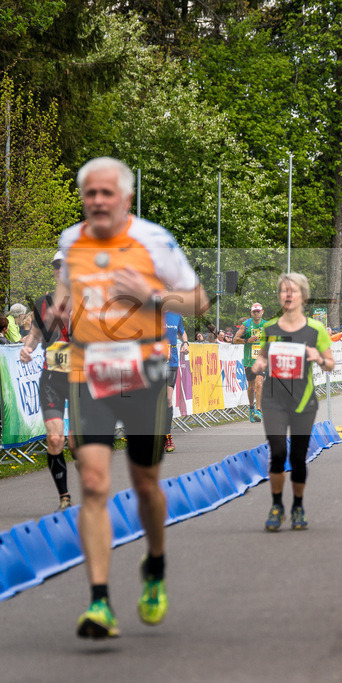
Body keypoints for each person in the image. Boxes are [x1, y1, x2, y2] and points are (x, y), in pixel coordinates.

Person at [54, 156, 209, 639]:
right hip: (89, 374)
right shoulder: (70, 240)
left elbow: (199, 301)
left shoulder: (154, 240)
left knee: (145, 484)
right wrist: (61, 304)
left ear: (126, 198)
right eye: (90, 193)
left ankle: (155, 563)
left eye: (107, 193)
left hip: (145, 373)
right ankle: (99, 601)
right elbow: (65, 291)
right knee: (93, 482)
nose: (98, 201)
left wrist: (152, 295)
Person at [251, 273, 333, 530]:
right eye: (284, 291)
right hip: (273, 399)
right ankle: (277, 506)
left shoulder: (315, 329)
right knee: (277, 452)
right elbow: (263, 356)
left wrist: (318, 358)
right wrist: (259, 363)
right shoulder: (270, 328)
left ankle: (298, 506)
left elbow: (330, 364)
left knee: (298, 457)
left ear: (303, 296)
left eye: (293, 290)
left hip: (303, 401)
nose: (288, 294)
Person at [19, 251, 74, 511]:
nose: (60, 270)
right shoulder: (42, 303)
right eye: (56, 266)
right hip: (52, 378)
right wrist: (27, 348)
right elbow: (35, 334)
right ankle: (64, 497)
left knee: (78, 443)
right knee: (54, 439)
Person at [235, 302, 267, 423]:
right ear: (251, 313)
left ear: (262, 312)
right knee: (251, 386)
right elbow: (235, 339)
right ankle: (251, 407)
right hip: (249, 360)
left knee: (259, 384)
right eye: (254, 312)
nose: (256, 313)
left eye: (258, 311)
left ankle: (258, 410)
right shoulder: (246, 325)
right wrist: (247, 340)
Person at [163, 312, 187, 453]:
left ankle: (167, 437)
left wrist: (185, 343)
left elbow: (182, 332)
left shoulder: (176, 315)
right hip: (152, 360)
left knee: (167, 398)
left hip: (171, 360)